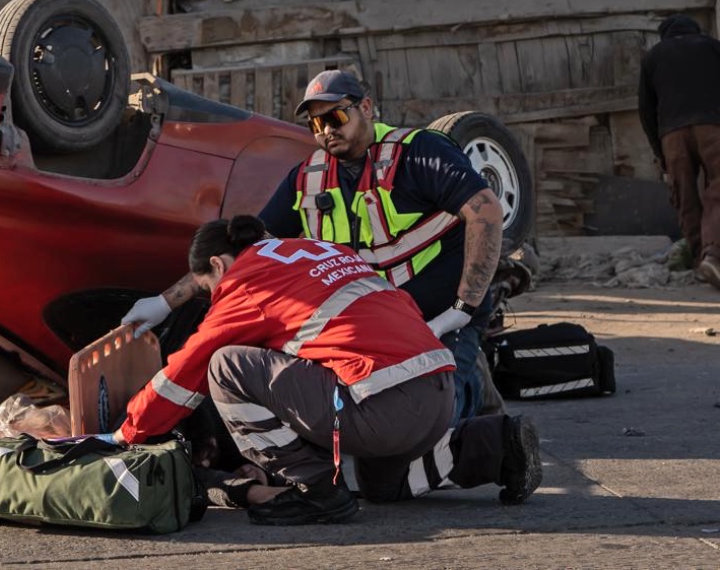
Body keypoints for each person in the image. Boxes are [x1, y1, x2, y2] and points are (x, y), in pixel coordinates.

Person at [124, 69, 504, 424]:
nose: (325, 131)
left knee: (436, 418)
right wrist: (166, 301)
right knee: (385, 423)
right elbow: (240, 250)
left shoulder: (418, 153)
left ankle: (471, 385)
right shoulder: (308, 180)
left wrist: (462, 309)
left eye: (335, 117)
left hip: (442, 314)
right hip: (381, 324)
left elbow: (486, 213)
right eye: (315, 124)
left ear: (366, 108)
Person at [109, 216, 542, 526]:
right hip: (435, 392)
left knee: (225, 365)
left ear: (219, 267)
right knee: (381, 486)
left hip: (383, 405)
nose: (214, 299)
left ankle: (314, 491)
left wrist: (125, 435)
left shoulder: (246, 283)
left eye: (209, 290)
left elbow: (188, 369)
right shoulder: (319, 252)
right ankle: (497, 444)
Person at [638, 14, 720, 289]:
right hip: (713, 126)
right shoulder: (713, 47)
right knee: (717, 190)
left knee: (684, 196)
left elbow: (646, 111)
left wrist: (659, 152)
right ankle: (714, 254)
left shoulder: (653, 57)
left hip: (671, 135)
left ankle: (699, 261)